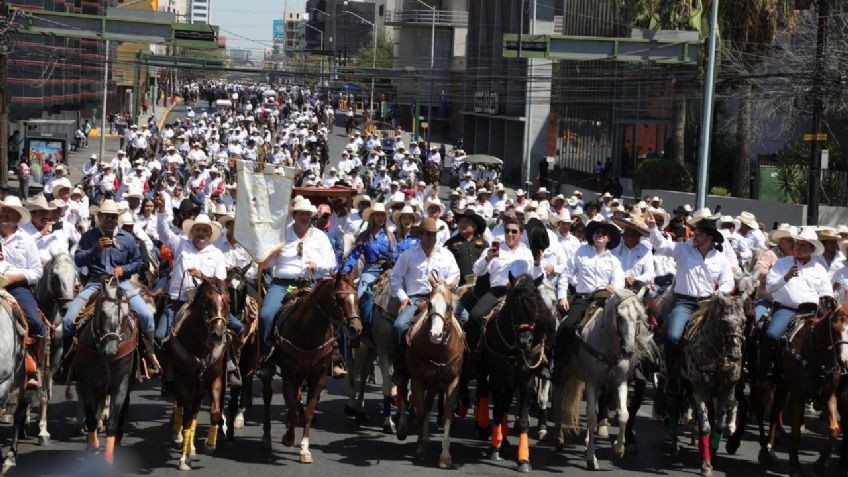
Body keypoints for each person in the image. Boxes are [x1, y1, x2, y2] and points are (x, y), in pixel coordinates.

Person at [62, 199, 158, 377]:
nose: (110, 220)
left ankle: (149, 356)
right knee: (68, 320)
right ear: (99, 217)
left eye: (114, 217)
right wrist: (95, 249)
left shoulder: (128, 239)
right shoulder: (89, 237)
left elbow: (138, 262)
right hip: (95, 283)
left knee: (146, 316)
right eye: (107, 216)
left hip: (121, 283)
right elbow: (78, 259)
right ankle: (67, 362)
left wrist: (124, 269)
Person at [645, 208, 733, 396]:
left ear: (709, 238)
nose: (694, 235)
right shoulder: (684, 249)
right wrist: (653, 229)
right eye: (694, 232)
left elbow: (728, 282)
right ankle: (671, 376)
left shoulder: (720, 259)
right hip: (685, 302)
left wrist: (721, 290)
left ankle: (728, 375)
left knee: (731, 337)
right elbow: (662, 246)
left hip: (709, 305)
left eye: (698, 233)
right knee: (673, 337)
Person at [257, 196, 336, 353]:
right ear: (294, 215)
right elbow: (266, 265)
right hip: (283, 284)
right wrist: (272, 255)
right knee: (265, 315)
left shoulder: (320, 236)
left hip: (312, 283)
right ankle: (266, 353)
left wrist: (317, 265)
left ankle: (335, 355)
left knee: (335, 315)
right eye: (301, 214)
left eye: (307, 214)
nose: (305, 217)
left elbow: (332, 263)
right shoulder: (280, 235)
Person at [389, 217, 460, 386]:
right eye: (428, 234)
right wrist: (403, 298)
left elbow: (455, 274)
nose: (431, 238)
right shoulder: (408, 255)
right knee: (399, 326)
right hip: (416, 298)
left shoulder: (446, 254)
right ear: (420, 235)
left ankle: (463, 364)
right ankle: (400, 368)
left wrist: (447, 284)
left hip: (441, 297)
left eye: (434, 234)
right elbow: (395, 279)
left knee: (466, 317)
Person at [759, 226, 834, 382]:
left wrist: (827, 301)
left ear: (812, 248)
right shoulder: (781, 263)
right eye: (796, 244)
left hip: (813, 312)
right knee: (771, 335)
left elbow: (827, 292)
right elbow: (770, 287)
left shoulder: (819, 269)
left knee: (834, 338)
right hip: (787, 309)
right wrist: (786, 277)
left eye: (802, 245)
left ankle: (830, 376)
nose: (797, 248)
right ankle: (764, 374)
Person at [154, 195, 227, 344]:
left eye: (204, 230)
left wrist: (203, 277)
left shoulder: (217, 254)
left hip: (207, 305)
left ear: (210, 234)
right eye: (198, 229)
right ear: (192, 232)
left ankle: (231, 362)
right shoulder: (180, 244)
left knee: (227, 334)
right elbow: (163, 232)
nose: (201, 233)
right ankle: (159, 366)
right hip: (178, 302)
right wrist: (161, 210)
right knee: (160, 336)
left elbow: (221, 284)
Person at [467, 215, 541, 350]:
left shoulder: (527, 252)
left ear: (521, 233)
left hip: (522, 293)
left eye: (514, 231)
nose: (510, 234)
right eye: (507, 231)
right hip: (498, 290)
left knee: (547, 319)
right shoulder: (494, 249)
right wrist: (487, 258)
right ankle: (473, 351)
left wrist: (537, 263)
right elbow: (477, 271)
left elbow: (536, 276)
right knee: (475, 315)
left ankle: (542, 356)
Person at [555, 220, 625, 359]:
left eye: (604, 233)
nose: (599, 235)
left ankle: (625, 364)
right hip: (583, 299)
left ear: (608, 239)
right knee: (568, 326)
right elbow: (565, 274)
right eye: (597, 232)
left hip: (605, 300)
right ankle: (558, 365)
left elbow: (619, 283)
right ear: (592, 235)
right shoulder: (580, 251)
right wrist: (562, 296)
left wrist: (614, 288)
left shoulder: (614, 260)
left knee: (625, 328)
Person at [0, 196, 43, 388]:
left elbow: (37, 271)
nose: (5, 214)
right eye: (3, 211)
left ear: (18, 217)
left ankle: (32, 362)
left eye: (10, 212)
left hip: (16, 286)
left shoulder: (26, 240)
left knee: (35, 322)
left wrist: (16, 277)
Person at [341, 203, 396, 342]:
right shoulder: (364, 236)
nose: (380, 218)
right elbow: (354, 256)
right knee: (359, 295)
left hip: (389, 271)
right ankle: (360, 331)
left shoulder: (390, 236)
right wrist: (344, 271)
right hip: (370, 271)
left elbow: (396, 255)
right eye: (377, 215)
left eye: (382, 215)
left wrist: (394, 259)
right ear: (372, 217)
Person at [611, 215, 655, 290]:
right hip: (616, 287)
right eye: (626, 234)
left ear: (638, 236)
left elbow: (650, 274)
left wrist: (635, 279)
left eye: (632, 234)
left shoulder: (646, 251)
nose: (627, 237)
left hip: (637, 288)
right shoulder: (615, 249)